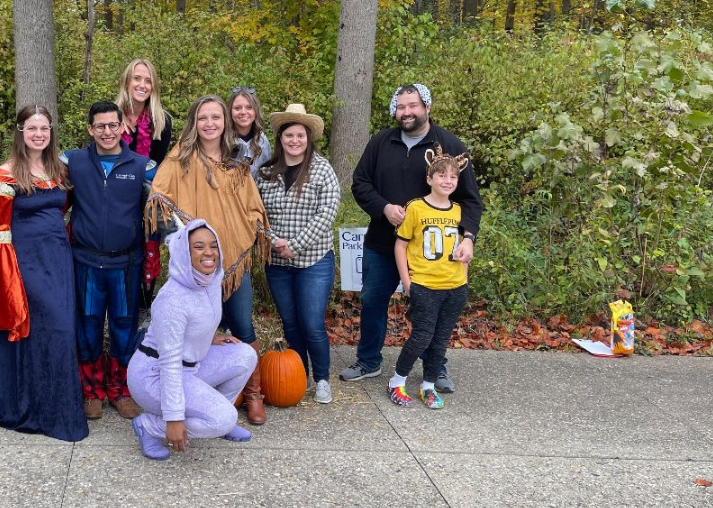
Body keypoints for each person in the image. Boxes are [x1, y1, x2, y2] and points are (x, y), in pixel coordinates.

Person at [345, 84, 483, 393]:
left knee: (435, 312)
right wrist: (383, 208)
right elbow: (360, 183)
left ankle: (436, 368)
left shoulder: (449, 147)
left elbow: (471, 200)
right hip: (384, 242)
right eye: (401, 107)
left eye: (413, 106)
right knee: (372, 301)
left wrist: (469, 238)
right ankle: (368, 361)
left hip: (435, 253)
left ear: (427, 107)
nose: (407, 112)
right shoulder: (381, 142)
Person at [145, 94, 270, 425]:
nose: (210, 124)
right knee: (197, 330)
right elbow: (160, 201)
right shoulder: (179, 161)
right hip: (195, 267)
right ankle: (191, 396)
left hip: (232, 259)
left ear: (225, 122)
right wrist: (183, 242)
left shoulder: (236, 162)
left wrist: (259, 232)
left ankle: (253, 394)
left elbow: (252, 206)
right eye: (203, 118)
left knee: (242, 324)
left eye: (216, 117)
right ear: (194, 123)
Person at [0, 104, 89, 442]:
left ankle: (56, 405)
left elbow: (64, 210)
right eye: (32, 128)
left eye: (44, 128)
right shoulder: (5, 174)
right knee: (40, 328)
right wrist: (7, 282)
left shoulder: (59, 169)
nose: (38, 134)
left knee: (61, 329)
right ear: (20, 131)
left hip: (59, 260)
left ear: (51, 132)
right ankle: (34, 408)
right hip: (24, 264)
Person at [128, 220, 258, 460]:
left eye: (213, 246)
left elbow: (195, 322)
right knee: (223, 417)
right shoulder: (173, 299)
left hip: (189, 367)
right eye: (198, 247)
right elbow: (169, 361)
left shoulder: (209, 281)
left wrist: (207, 338)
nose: (208, 253)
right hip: (154, 376)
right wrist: (173, 418)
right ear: (183, 253)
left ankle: (218, 421)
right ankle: (151, 426)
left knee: (245, 354)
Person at [61, 101, 157, 420]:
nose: (106, 131)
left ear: (122, 128)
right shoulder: (73, 161)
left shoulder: (142, 166)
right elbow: (37, 166)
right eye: (100, 126)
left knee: (123, 326)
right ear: (90, 129)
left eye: (112, 125)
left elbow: (163, 205)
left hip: (125, 264)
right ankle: (91, 390)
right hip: (87, 262)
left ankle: (120, 390)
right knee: (87, 327)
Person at [256, 104, 340, 404]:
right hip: (277, 262)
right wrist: (275, 241)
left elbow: (327, 213)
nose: (294, 140)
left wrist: (296, 244)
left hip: (314, 260)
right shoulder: (266, 173)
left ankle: (321, 378)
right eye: (289, 135)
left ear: (308, 138)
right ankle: (298, 374)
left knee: (312, 322)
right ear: (280, 138)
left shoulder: (322, 170)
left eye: (300, 135)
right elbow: (255, 215)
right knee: (290, 322)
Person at [389, 145, 472, 409]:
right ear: (429, 179)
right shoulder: (415, 208)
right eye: (441, 176)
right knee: (422, 337)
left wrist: (464, 280)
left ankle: (428, 385)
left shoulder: (460, 212)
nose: (447, 181)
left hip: (455, 286)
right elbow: (400, 245)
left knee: (440, 339)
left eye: (453, 177)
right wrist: (407, 280)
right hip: (425, 284)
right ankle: (397, 380)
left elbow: (465, 250)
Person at [115, 58, 173, 311]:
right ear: (127, 82)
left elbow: (158, 167)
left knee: (146, 261)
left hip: (147, 198)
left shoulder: (162, 121)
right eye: (137, 78)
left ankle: (144, 311)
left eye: (147, 80)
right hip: (115, 200)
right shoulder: (112, 117)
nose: (142, 84)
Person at [229, 87, 271, 174]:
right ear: (230, 111)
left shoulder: (262, 140)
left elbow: (267, 173)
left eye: (249, 107)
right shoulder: (222, 139)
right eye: (237, 108)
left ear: (255, 111)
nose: (243, 112)